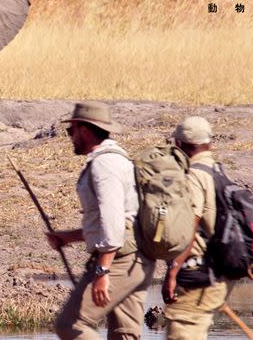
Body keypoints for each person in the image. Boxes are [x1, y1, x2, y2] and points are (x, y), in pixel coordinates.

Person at [48, 101, 155, 340]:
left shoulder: (104, 165)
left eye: (71, 131)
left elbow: (113, 222)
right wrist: (67, 237)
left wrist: (102, 271)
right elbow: (113, 221)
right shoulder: (117, 159)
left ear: (85, 130)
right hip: (137, 260)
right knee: (124, 335)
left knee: (71, 324)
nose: (70, 138)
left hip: (119, 260)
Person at [162, 116, 233, 339]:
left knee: (181, 334)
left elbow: (188, 229)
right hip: (218, 273)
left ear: (181, 146)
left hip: (197, 273)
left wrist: (172, 272)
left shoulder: (194, 175)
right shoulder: (217, 170)